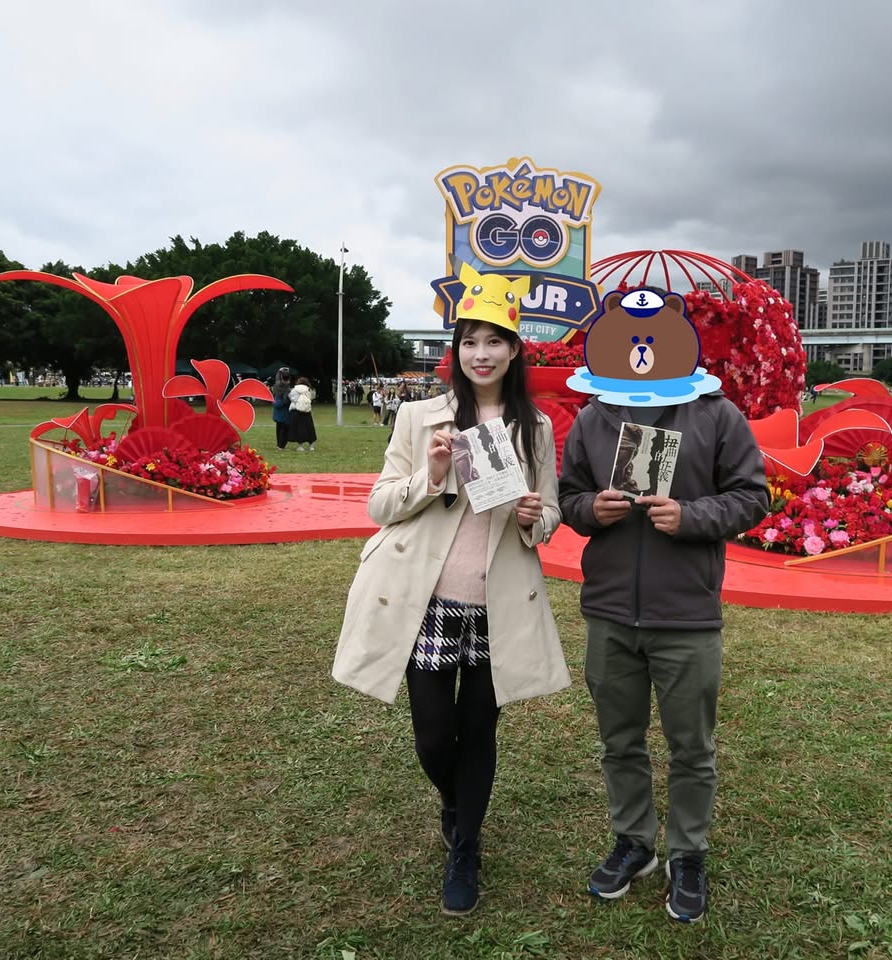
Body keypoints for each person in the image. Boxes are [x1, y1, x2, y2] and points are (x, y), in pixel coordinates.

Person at [333, 306, 568, 917]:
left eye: (494, 342)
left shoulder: (534, 426)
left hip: (496, 601)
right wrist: (432, 474)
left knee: (480, 728)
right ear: (456, 351)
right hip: (427, 601)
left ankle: (465, 848)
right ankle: (456, 803)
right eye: (469, 342)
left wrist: (534, 517)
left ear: (514, 351)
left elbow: (550, 510)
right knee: (435, 734)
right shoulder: (419, 416)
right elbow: (380, 505)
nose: (481, 354)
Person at [557, 326, 769, 922]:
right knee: (619, 741)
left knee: (691, 747)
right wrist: (589, 509)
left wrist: (691, 515)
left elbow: (752, 496)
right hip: (610, 611)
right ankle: (634, 842)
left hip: (687, 614)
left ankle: (688, 852)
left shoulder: (716, 414)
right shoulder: (594, 416)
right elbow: (568, 495)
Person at [289, 376, 317, 451]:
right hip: (306, 411)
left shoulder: (294, 390)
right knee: (309, 428)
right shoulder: (308, 390)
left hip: (296, 410)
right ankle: (311, 446)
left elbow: (291, 398)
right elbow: (310, 398)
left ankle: (300, 446)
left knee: (299, 429)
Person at [271, 368, 293, 451]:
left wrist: (279, 371)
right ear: (289, 379)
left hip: (277, 413)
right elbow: (286, 401)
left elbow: (277, 378)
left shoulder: (276, 386)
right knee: (284, 430)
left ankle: (278, 445)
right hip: (284, 413)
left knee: (279, 428)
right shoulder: (287, 389)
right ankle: (281, 446)